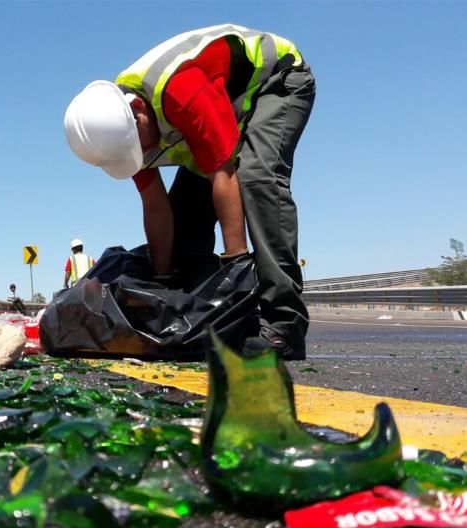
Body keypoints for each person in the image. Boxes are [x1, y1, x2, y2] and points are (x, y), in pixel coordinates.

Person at [63, 24, 314, 360]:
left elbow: (223, 173)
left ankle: (285, 324)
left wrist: (236, 269)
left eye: (140, 148)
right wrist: (162, 279)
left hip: (275, 82)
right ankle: (207, 313)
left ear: (138, 111)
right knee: (185, 219)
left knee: (258, 179)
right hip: (224, 112)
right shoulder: (122, 135)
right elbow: (156, 209)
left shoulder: (182, 90)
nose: (143, 157)